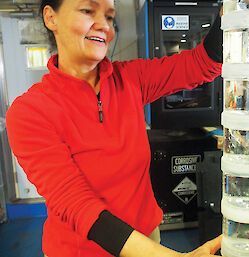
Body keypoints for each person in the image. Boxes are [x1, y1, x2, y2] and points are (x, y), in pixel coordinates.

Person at [5, 0, 223, 256]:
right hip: (85, 250)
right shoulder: (29, 111)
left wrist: (228, 16)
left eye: (109, 18)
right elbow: (77, 205)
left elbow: (201, 64)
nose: (104, 27)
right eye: (88, 11)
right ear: (51, 18)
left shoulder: (131, 79)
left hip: (147, 240)